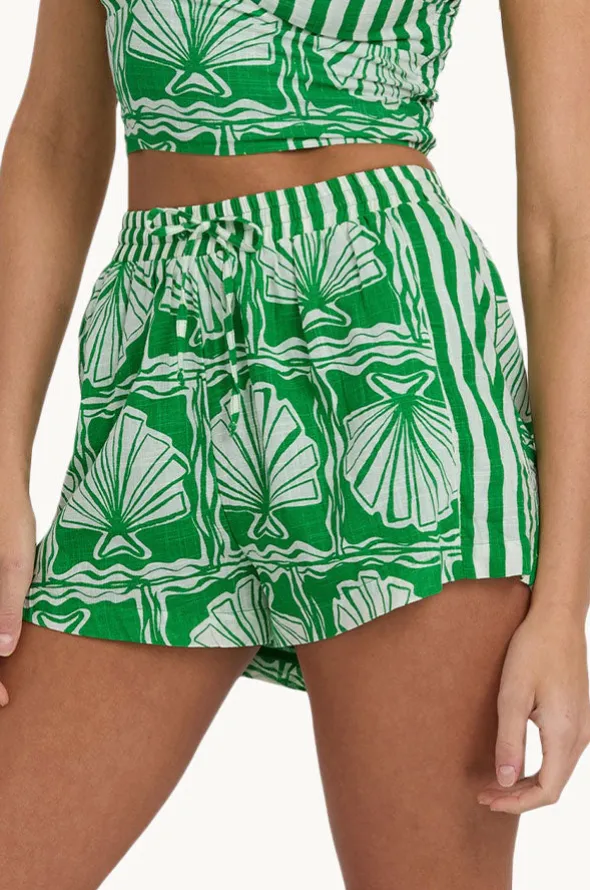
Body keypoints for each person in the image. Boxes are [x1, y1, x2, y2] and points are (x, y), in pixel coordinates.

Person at [0, 0, 588, 887]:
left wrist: (564, 606)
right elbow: (54, 139)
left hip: (389, 375)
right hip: (156, 384)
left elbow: (567, 231)